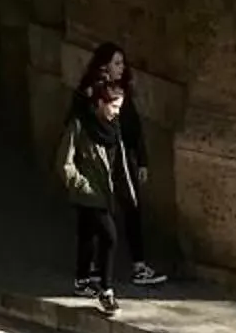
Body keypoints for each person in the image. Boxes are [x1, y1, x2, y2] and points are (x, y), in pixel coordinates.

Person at [57, 45, 165, 313]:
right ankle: (105, 290)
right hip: (89, 189)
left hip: (105, 188)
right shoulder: (81, 124)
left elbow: (131, 136)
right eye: (114, 106)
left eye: (120, 107)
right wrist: (80, 184)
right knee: (109, 236)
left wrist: (137, 165)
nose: (117, 111)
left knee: (89, 234)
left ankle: (83, 280)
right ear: (100, 103)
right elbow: (64, 162)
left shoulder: (113, 126)